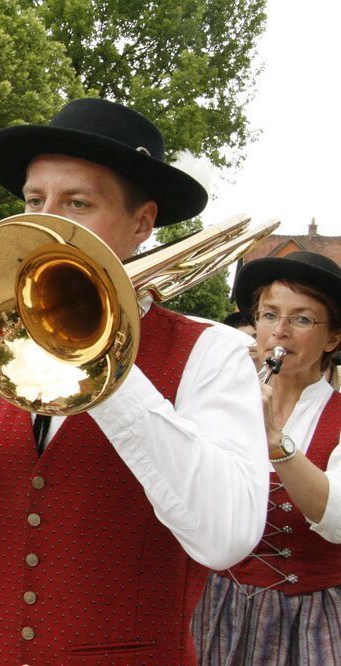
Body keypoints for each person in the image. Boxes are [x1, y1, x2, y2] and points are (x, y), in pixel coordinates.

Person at [0, 98, 269, 664]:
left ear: (142, 223)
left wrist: (105, 362)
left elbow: (227, 537)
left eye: (77, 203)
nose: (45, 221)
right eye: (33, 200)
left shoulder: (211, 350)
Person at [192, 251, 341, 664]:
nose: (280, 332)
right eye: (269, 315)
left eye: (302, 319)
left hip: (307, 618)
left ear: (333, 338)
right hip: (215, 604)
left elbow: (338, 517)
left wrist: (273, 439)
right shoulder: (219, 403)